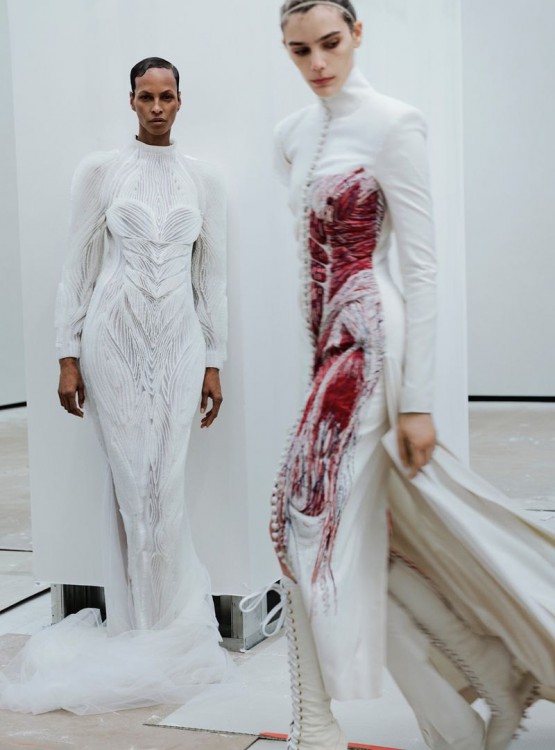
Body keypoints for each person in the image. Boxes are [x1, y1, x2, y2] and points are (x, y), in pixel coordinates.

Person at [267, 3, 555, 749]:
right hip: (327, 352)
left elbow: (421, 268)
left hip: (371, 343)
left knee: (300, 525)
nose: (317, 63)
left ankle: (316, 725)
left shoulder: (395, 124)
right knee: (361, 540)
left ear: (357, 34)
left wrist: (418, 401)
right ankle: (482, 686)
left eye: (330, 43)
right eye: (299, 50)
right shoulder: (291, 135)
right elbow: (304, 267)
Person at [0, 57, 230, 714]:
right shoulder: (100, 172)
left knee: (167, 486)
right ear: (130, 101)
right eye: (145, 96)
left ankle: (167, 627)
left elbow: (211, 277)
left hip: (180, 345)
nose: (157, 107)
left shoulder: (204, 179)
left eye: (167, 96)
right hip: (113, 342)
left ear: (181, 101)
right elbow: (76, 266)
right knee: (133, 488)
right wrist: (66, 354)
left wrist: (214, 359)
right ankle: (137, 627)